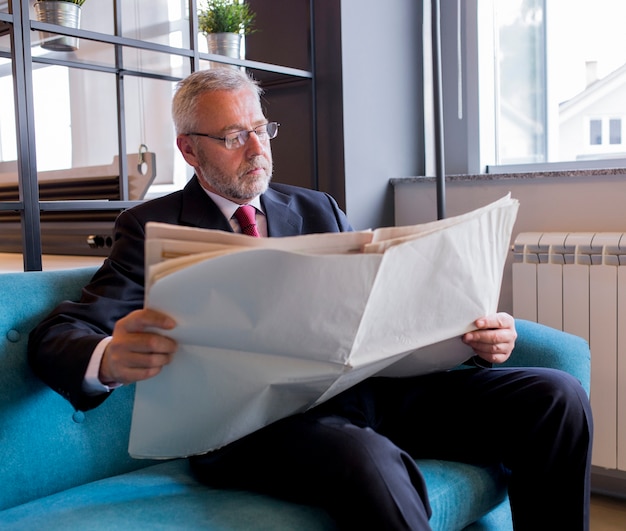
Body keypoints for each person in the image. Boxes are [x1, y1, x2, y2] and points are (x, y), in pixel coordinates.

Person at [28, 68, 592, 530]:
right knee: (365, 459)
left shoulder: (316, 207)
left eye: (261, 129)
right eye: (233, 137)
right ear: (189, 151)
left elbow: (385, 305)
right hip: (256, 425)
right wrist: (108, 359)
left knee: (556, 395)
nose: (256, 149)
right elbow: (57, 335)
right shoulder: (151, 226)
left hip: (374, 391)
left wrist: (474, 337)